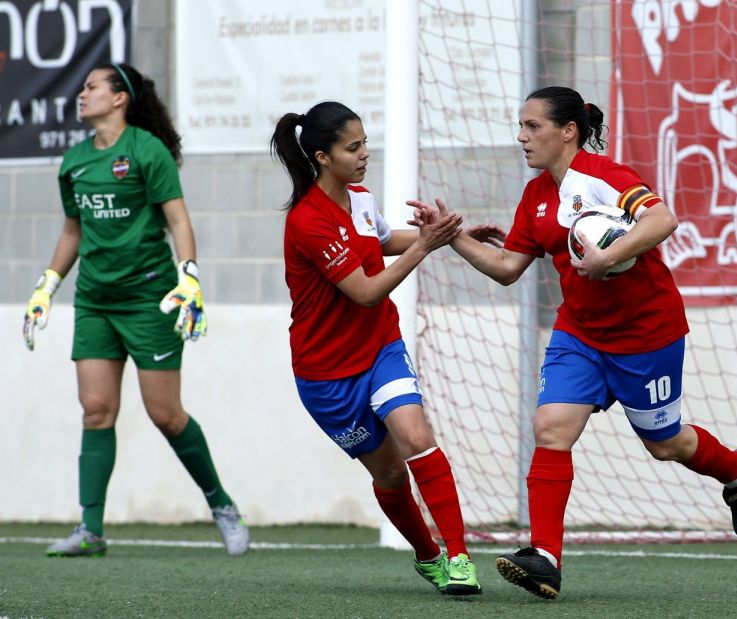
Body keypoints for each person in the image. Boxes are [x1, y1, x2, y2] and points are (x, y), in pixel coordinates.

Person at [408, 86, 737, 600]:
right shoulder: (536, 195)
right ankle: (545, 557)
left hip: (647, 335)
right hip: (579, 334)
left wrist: (605, 256)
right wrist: (451, 237)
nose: (522, 136)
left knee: (664, 444)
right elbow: (508, 268)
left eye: (533, 127)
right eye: (521, 126)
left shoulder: (606, 177)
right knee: (550, 427)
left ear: (568, 131)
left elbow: (662, 220)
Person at [23, 63, 249, 558]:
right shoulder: (75, 161)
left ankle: (222, 504)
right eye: (82, 88)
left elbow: (178, 220)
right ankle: (91, 530)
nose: (82, 94)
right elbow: (72, 233)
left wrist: (189, 276)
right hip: (95, 303)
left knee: (165, 415)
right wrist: (46, 286)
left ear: (120, 98)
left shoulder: (147, 151)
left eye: (91, 87)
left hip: (150, 299)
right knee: (96, 411)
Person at [270, 101, 482, 596]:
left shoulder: (360, 198)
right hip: (326, 374)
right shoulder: (307, 221)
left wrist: (452, 236)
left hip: (380, 346)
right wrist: (426, 246)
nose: (366, 154)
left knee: (416, 435)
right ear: (322, 157)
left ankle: (460, 558)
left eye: (366, 142)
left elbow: (384, 241)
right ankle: (427, 554)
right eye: (354, 146)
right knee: (388, 472)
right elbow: (365, 289)